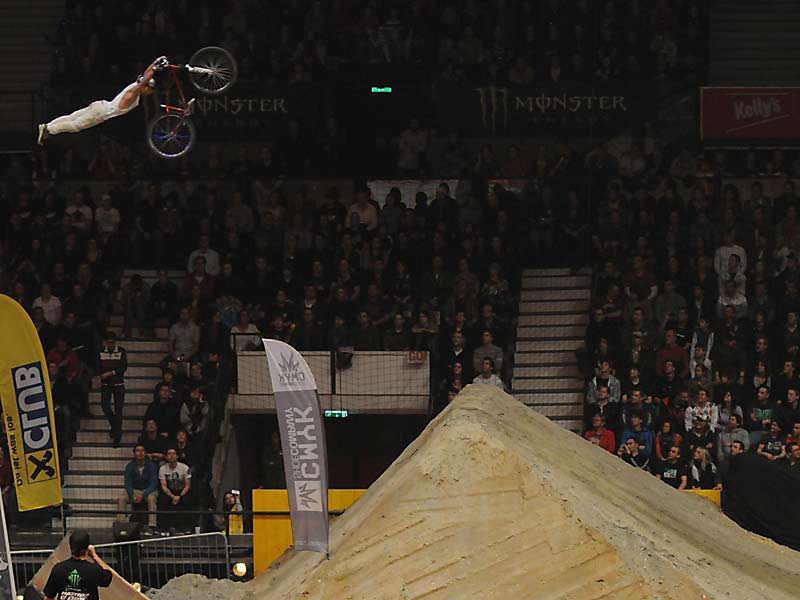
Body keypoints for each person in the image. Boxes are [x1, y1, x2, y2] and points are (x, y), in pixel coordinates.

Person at [38, 57, 167, 144]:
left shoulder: (135, 86)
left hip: (100, 105)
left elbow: (145, 74)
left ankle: (47, 126)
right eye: (150, 90)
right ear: (146, 87)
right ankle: (49, 130)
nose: (150, 93)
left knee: (72, 117)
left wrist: (156, 62)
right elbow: (145, 80)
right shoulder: (133, 93)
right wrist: (155, 69)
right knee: (76, 126)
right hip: (101, 113)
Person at [43, 530, 113, 600]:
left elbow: (48, 597)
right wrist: (95, 556)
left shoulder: (58, 569)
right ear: (88, 548)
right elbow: (108, 575)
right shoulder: (94, 570)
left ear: (70, 547)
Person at [118, 444, 159, 531]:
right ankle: (121, 523)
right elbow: (127, 483)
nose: (140, 453)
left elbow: (154, 482)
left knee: (151, 499)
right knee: (122, 498)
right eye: (138, 450)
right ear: (134, 453)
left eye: (142, 450)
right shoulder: (129, 466)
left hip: (149, 490)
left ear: (145, 453)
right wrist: (132, 494)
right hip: (135, 490)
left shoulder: (151, 465)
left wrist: (144, 494)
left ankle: (152, 525)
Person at [98, 331, 127, 447]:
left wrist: (109, 373)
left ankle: (117, 436)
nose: (110, 344)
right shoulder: (100, 351)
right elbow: (98, 365)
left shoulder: (121, 351)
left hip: (118, 384)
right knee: (105, 407)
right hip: (106, 385)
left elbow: (123, 367)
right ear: (106, 342)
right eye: (108, 342)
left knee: (118, 410)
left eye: (112, 342)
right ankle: (115, 426)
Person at [159, 447, 192, 533]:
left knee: (187, 499)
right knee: (162, 499)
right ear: (166, 457)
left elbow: (187, 485)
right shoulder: (162, 469)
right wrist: (173, 496)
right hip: (170, 491)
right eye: (169, 454)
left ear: (177, 456)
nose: (171, 455)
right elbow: (163, 486)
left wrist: (179, 496)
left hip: (182, 491)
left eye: (173, 453)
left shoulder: (185, 468)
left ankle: (185, 527)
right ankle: (164, 528)